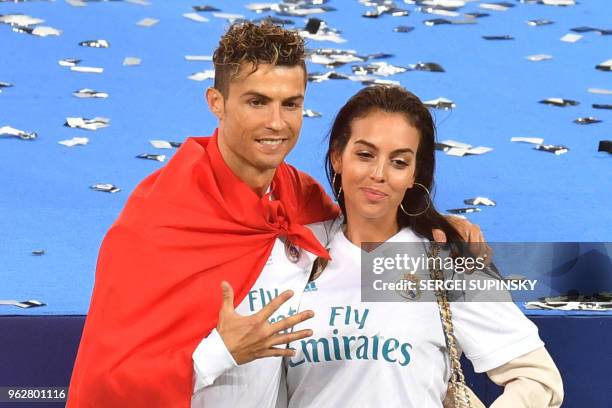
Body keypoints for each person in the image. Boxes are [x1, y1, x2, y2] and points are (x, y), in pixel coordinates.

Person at [67, 23, 488, 408]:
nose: (276, 123)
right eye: (257, 102)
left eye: (291, 104)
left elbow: (362, 226)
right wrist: (222, 352)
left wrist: (428, 222)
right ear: (217, 102)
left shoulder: (296, 196)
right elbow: (106, 383)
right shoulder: (156, 222)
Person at [285, 85, 564, 407]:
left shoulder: (446, 261)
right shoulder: (298, 253)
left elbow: (540, 379)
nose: (379, 174)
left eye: (399, 162)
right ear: (337, 157)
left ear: (415, 173)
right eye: (365, 154)